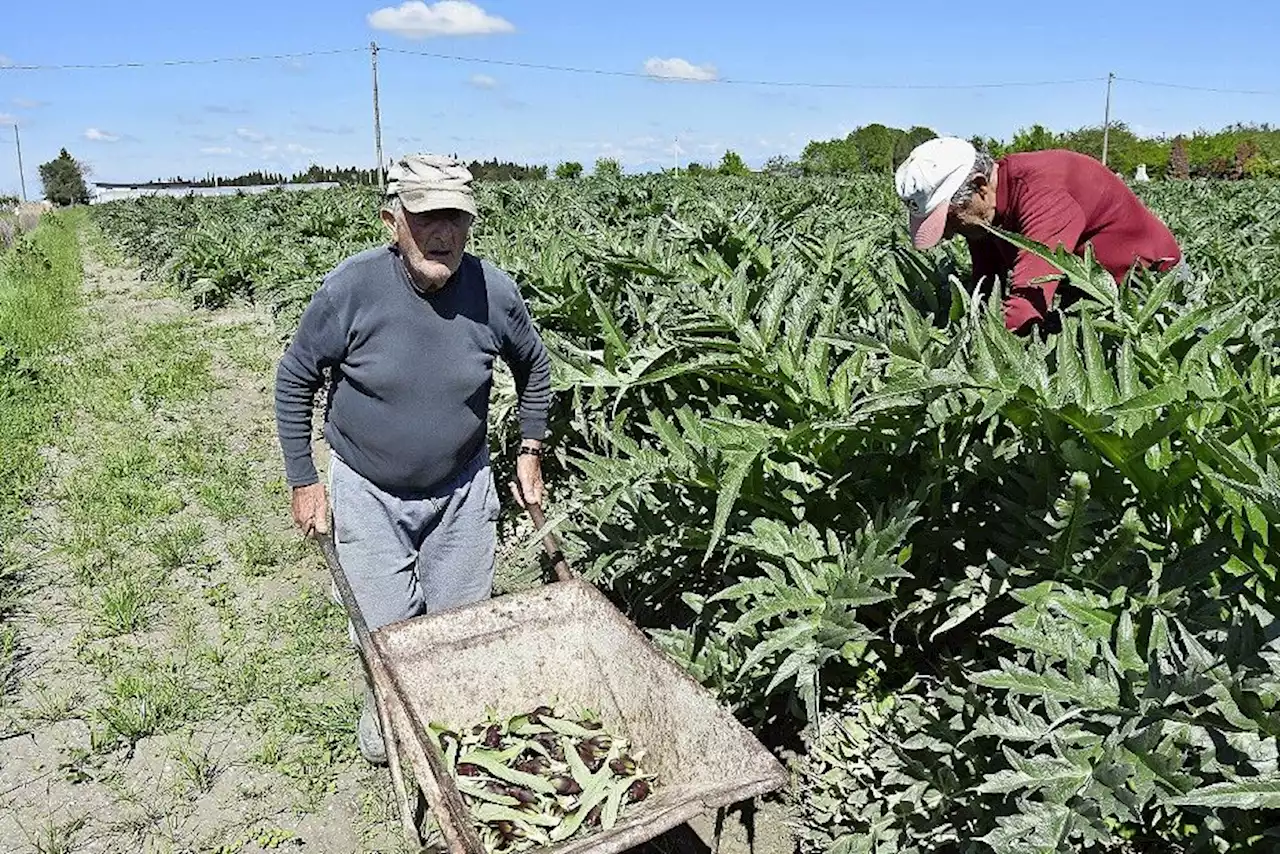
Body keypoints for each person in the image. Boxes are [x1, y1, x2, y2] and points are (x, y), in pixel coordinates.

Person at [273, 153, 552, 764]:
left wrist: (529, 449)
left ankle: (450, 738)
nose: (443, 232)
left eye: (455, 215)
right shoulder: (352, 288)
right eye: (427, 216)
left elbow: (535, 367)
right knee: (387, 633)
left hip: (462, 487)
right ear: (391, 222)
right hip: (367, 487)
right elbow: (295, 376)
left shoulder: (492, 290)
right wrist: (303, 478)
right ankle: (392, 734)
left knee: (459, 629)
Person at [894, 137, 1184, 335]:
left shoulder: (1043, 194)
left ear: (980, 186)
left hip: (1150, 289)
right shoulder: (983, 212)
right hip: (1091, 291)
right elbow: (986, 281)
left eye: (948, 219)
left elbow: (1028, 305)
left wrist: (964, 360)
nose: (945, 234)